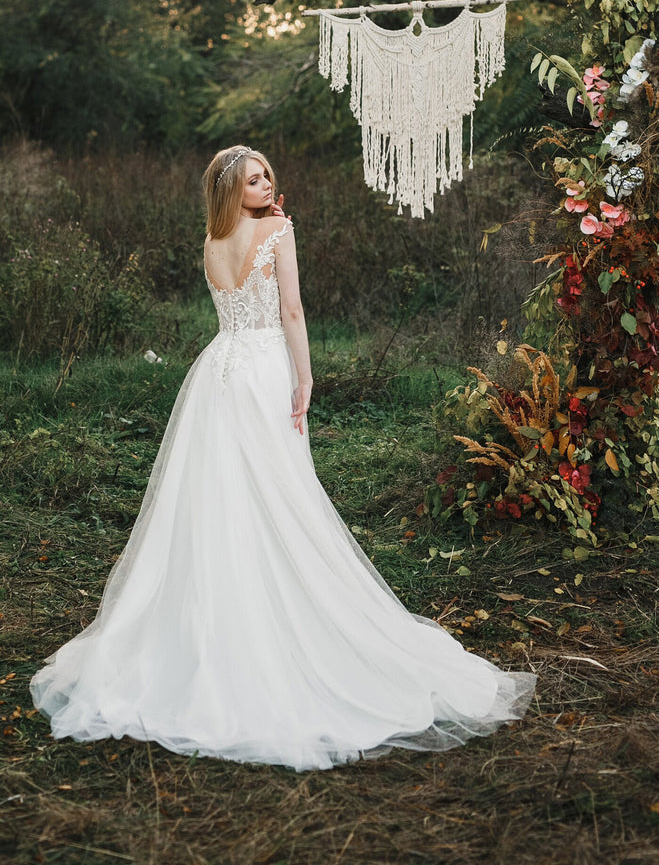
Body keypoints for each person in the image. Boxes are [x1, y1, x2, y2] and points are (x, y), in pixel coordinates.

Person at [30, 145, 537, 772]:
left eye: (267, 174)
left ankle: (220, 613)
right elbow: (291, 310)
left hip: (217, 372)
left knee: (221, 494)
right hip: (264, 366)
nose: (267, 184)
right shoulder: (277, 230)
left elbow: (229, 312)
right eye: (253, 179)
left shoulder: (210, 243)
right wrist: (305, 376)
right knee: (280, 491)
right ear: (231, 190)